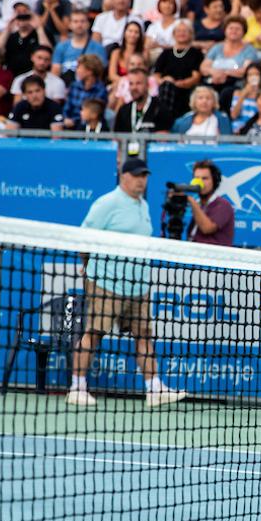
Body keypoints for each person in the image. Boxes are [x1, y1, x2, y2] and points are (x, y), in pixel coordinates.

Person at [67, 157, 186, 408]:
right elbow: (83, 238)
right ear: (124, 176)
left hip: (139, 286)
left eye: (145, 176)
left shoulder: (142, 205)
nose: (142, 180)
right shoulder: (107, 203)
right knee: (94, 333)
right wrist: (90, 270)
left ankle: (154, 389)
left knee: (144, 335)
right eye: (137, 175)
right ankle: (77, 387)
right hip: (107, 283)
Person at [185, 159, 237, 245]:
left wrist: (192, 202)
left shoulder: (223, 205)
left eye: (205, 178)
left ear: (214, 181)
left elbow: (207, 228)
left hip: (214, 257)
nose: (200, 182)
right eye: (197, 178)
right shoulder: (200, 204)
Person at [52, 7, 109, 81]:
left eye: (82, 21)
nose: (79, 25)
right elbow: (55, 73)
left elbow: (100, 75)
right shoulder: (61, 47)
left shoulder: (98, 48)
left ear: (88, 24)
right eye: (75, 21)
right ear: (70, 25)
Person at [63, 53, 109, 127]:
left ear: (89, 71)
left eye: (79, 67)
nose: (76, 71)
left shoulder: (101, 90)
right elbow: (67, 108)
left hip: (89, 127)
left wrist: (74, 121)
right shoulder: (74, 86)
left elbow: (94, 114)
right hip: (69, 125)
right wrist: (66, 119)